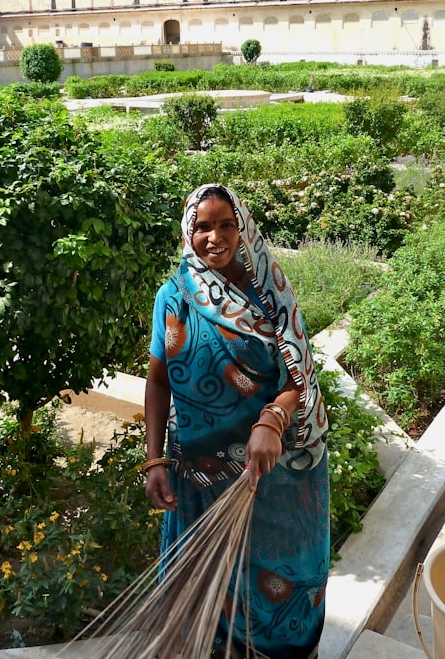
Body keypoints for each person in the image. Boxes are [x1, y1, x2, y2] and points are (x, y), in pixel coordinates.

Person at [144, 184, 329, 659]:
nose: (215, 236)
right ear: (188, 232)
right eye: (202, 226)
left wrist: (271, 419)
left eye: (226, 223)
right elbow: (159, 381)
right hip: (199, 476)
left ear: (242, 226)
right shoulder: (174, 296)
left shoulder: (270, 293)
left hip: (274, 471)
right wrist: (154, 460)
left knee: (282, 580)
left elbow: (298, 376)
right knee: (210, 585)